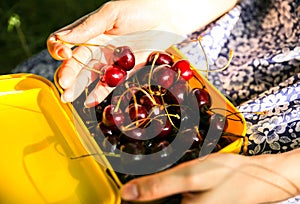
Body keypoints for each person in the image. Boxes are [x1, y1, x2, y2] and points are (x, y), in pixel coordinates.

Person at [45, 0, 300, 203]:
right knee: (59, 85)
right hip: (244, 27)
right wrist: (168, 12)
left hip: (287, 159)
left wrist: (280, 175)